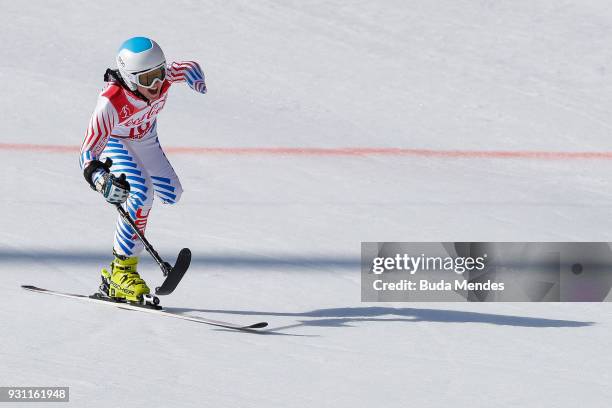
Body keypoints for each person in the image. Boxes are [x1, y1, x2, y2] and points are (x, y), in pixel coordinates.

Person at [79, 37, 207, 303]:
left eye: (159, 75)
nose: (157, 85)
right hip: (116, 142)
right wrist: (101, 179)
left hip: (146, 140)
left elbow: (183, 68)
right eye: (147, 79)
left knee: (172, 194)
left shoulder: (164, 77)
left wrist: (195, 76)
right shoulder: (110, 103)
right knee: (141, 195)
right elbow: (87, 152)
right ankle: (122, 271)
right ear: (129, 78)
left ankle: (119, 271)